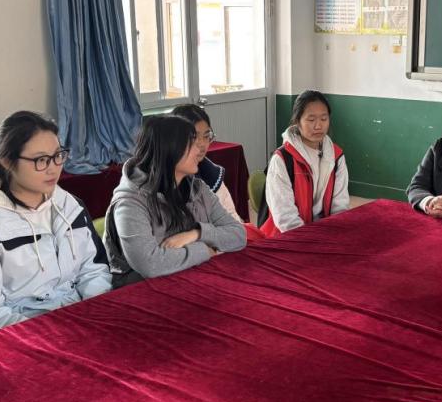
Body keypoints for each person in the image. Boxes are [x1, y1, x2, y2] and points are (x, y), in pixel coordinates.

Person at [0, 111, 111, 338]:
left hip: (75, 320)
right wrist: (50, 332)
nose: (53, 168)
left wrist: (93, 313)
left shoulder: (71, 207)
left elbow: (94, 270)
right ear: (7, 162)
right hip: (17, 336)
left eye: (58, 156)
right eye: (41, 160)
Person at [105, 115, 245, 286]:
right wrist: (205, 250)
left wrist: (196, 234)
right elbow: (150, 264)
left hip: (193, 279)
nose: (199, 150)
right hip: (143, 290)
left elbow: (238, 235)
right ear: (169, 150)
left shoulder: (198, 188)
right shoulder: (130, 202)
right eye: (191, 144)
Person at [260, 90, 349, 237]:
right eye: (311, 119)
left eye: (324, 119)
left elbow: (340, 206)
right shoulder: (282, 160)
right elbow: (285, 217)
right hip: (287, 236)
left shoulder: (336, 156)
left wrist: (335, 234)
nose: (318, 126)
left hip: (324, 233)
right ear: (297, 121)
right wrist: (309, 241)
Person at [170, 104, 242, 223]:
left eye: (206, 136)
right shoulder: (159, 180)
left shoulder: (211, 174)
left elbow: (233, 220)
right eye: (194, 137)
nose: (203, 144)